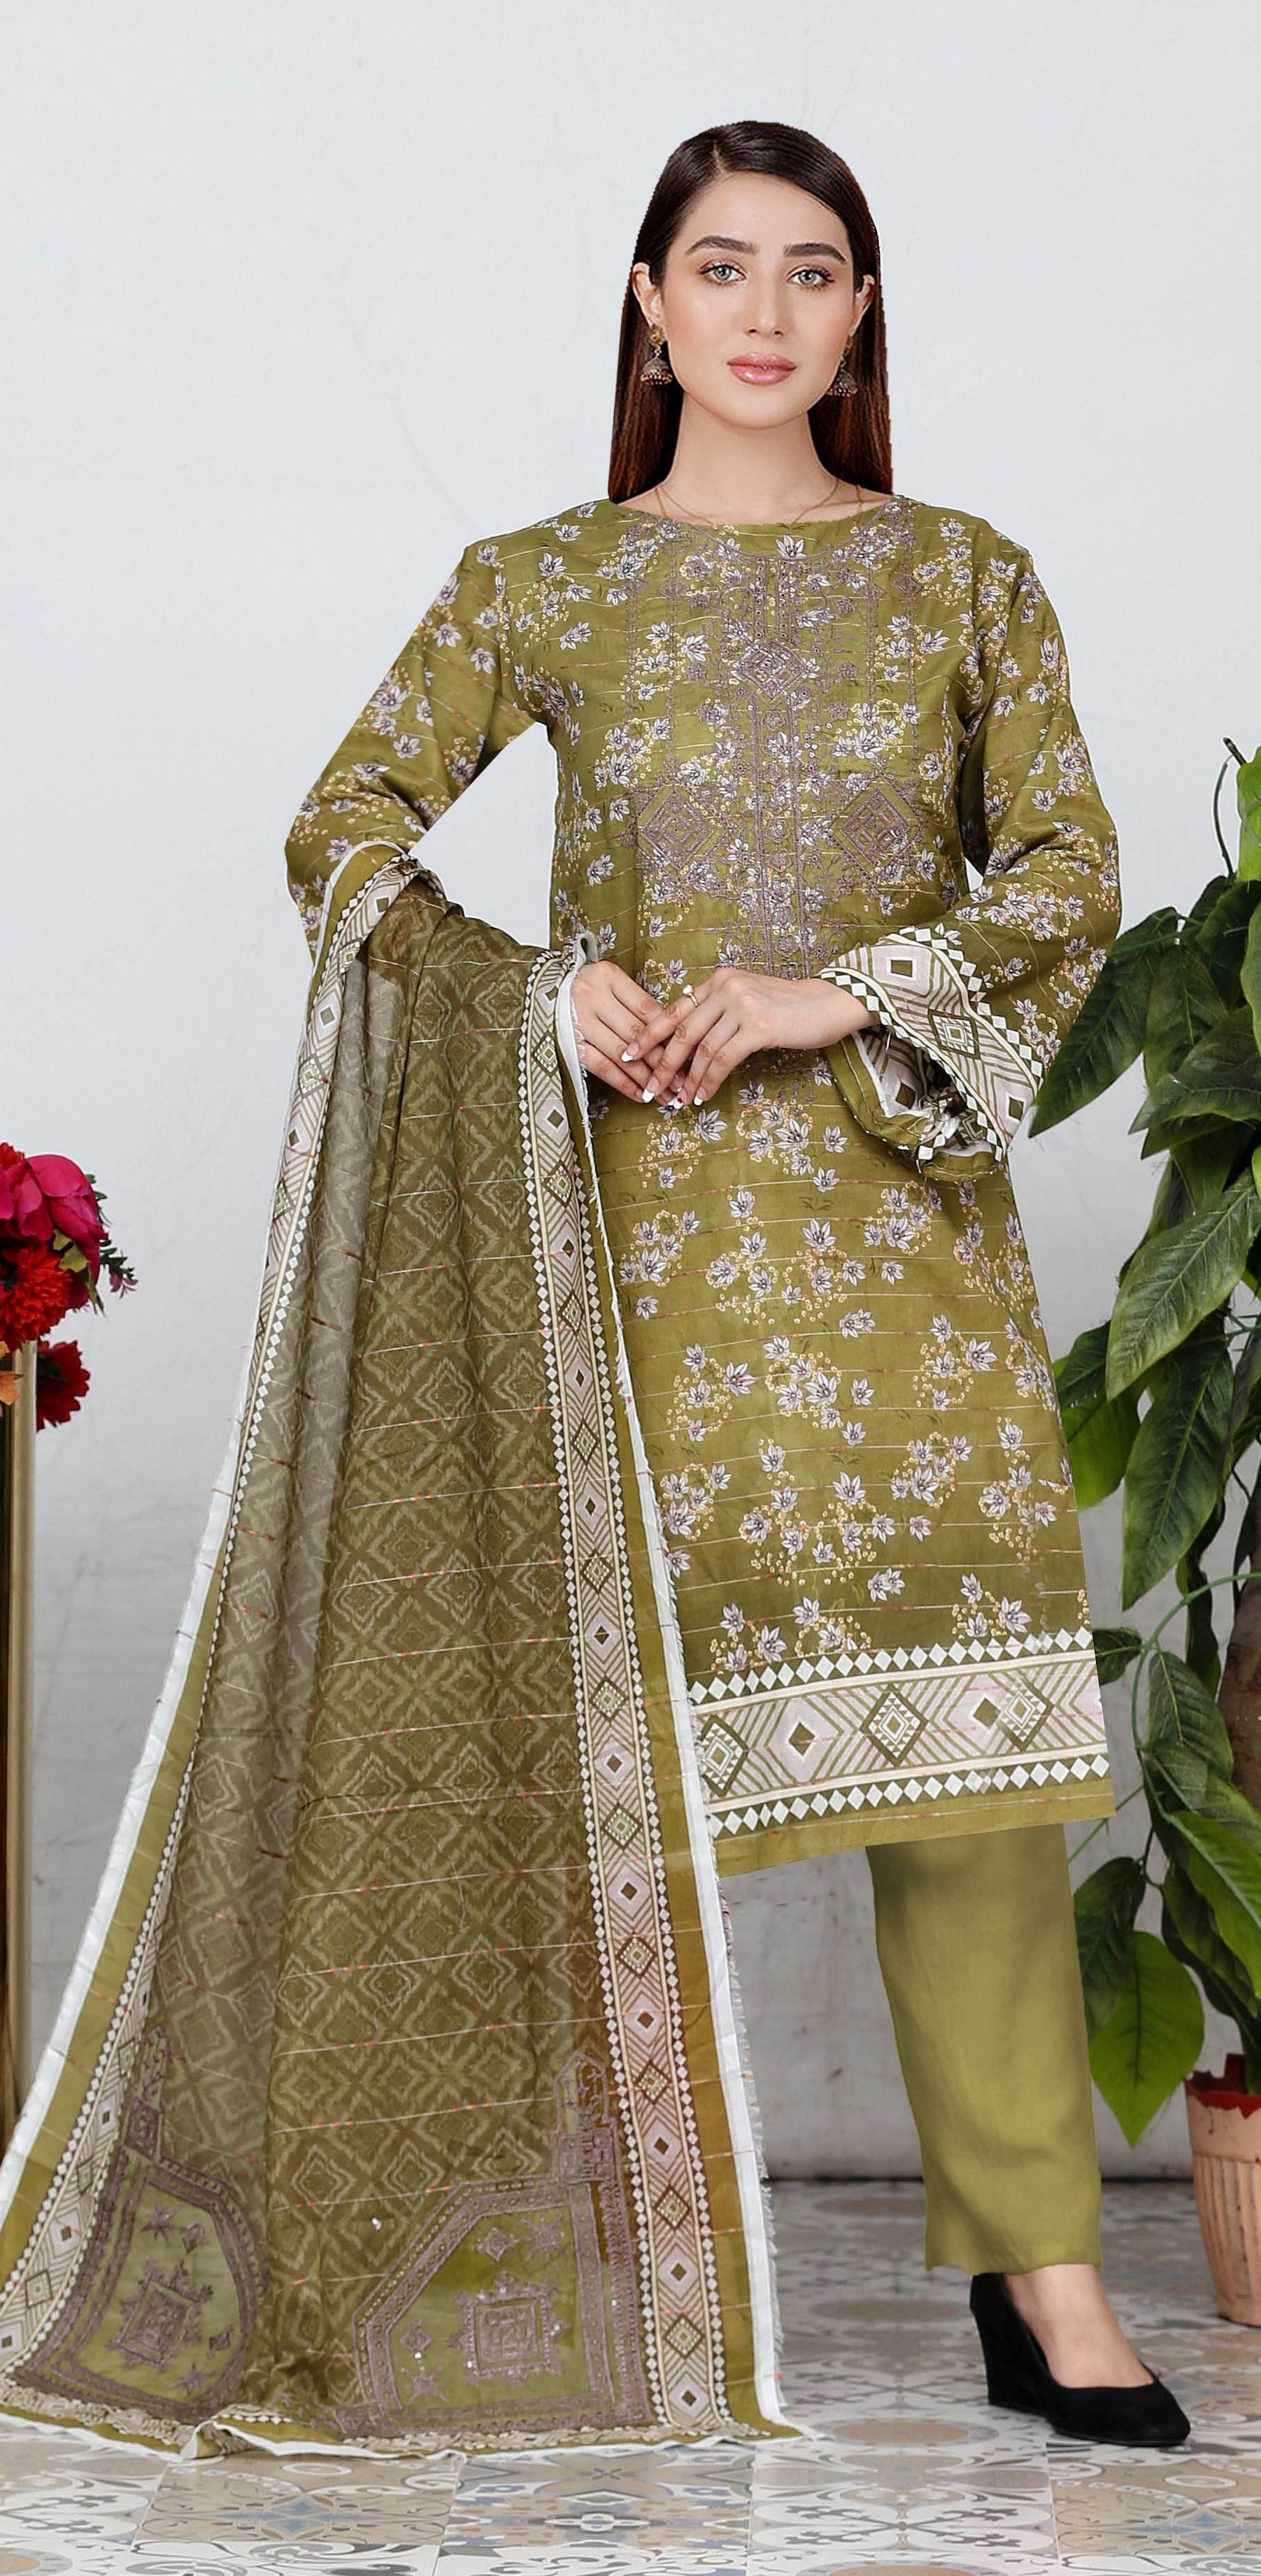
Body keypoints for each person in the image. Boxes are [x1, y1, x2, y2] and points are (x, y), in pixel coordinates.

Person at [0, 119, 1187, 2457]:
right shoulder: (541, 580)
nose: (766, 313)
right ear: (647, 303)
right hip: (615, 1272)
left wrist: (831, 991)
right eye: (719, 268)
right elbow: (342, 828)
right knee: (567, 1771)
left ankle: (1043, 2276)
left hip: (894, 1258)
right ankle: (492, 2244)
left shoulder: (960, 577)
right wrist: (537, 993)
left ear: (860, 312)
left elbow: (1064, 870)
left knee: (971, 1784)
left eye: (813, 272)